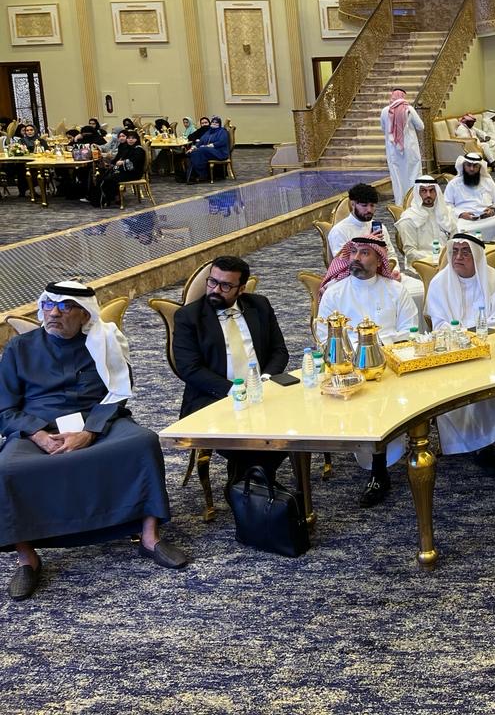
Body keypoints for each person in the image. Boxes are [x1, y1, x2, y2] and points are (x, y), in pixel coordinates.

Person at [2, 281, 187, 600]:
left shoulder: (104, 342)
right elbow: (4, 408)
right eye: (49, 306)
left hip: (97, 420)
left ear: (85, 314)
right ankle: (28, 559)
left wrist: (89, 432)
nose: (54, 313)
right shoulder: (20, 348)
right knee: (6, 469)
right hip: (36, 428)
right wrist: (39, 435)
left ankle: (149, 537)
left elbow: (118, 394)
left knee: (143, 443)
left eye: (65, 307)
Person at [318, 234, 418, 503]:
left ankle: (381, 467)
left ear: (378, 259)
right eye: (353, 253)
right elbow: (324, 337)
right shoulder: (334, 293)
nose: (356, 258)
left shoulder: (396, 291)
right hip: (347, 371)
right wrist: (358, 354)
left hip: (392, 367)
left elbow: (411, 331)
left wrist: (376, 347)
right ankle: (377, 466)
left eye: (364, 253)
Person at [173, 255, 290, 482]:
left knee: (293, 425)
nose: (215, 290)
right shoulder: (189, 317)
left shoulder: (259, 305)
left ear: (241, 289)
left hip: (262, 391)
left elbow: (279, 351)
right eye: (212, 282)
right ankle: (252, 486)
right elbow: (190, 369)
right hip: (214, 396)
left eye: (225, 286)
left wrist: (264, 381)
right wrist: (234, 391)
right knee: (248, 443)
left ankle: (252, 485)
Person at [426, 234, 495, 470]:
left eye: (465, 252)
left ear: (476, 256)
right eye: (455, 251)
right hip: (451, 351)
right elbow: (439, 325)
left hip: (487, 348)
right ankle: (478, 447)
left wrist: (476, 340)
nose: (458, 257)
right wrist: (465, 338)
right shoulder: (439, 283)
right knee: (461, 380)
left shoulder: (492, 279)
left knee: (490, 377)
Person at [445, 153, 495, 241]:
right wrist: (461, 214)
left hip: (488, 220)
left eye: (475, 166)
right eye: (468, 165)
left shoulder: (488, 182)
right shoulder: (453, 184)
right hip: (464, 220)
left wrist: (492, 209)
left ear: (480, 167)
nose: (471, 169)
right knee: (456, 228)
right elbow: (447, 206)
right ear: (463, 166)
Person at [399, 175, 456, 266]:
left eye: (432, 190)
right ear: (418, 193)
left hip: (450, 262)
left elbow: (455, 240)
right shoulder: (409, 219)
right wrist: (436, 258)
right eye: (424, 191)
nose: (428, 195)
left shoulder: (447, 213)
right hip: (422, 265)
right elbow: (410, 252)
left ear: (437, 192)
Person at [380, 89, 424, 206]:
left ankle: (400, 203)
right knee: (413, 174)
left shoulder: (385, 111)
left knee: (397, 176)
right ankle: (414, 201)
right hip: (410, 149)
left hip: (393, 150)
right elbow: (421, 126)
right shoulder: (409, 109)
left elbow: (383, 128)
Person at [92, 127, 146, 206]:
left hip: (134, 173)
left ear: (137, 139)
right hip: (125, 171)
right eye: (129, 138)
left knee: (109, 179)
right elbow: (119, 158)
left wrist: (122, 162)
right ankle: (108, 198)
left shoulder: (138, 149)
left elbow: (134, 162)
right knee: (103, 176)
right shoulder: (128, 148)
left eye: (133, 138)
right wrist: (114, 165)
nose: (130, 140)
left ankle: (111, 198)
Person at [185, 115, 229, 182]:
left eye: (216, 122)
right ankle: (194, 175)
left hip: (220, 152)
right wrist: (193, 148)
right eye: (213, 122)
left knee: (202, 149)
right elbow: (201, 141)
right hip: (209, 151)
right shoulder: (209, 131)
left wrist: (208, 146)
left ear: (219, 124)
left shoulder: (222, 131)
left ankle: (201, 175)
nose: (214, 123)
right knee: (194, 152)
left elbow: (221, 142)